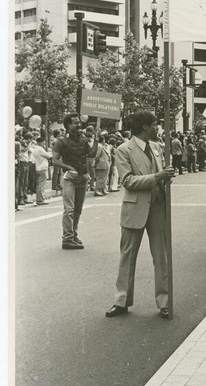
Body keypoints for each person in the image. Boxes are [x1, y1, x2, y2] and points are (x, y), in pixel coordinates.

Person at [105, 111, 175, 318]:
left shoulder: (157, 147)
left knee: (161, 256)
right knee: (127, 255)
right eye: (155, 124)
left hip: (158, 207)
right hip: (135, 208)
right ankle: (121, 301)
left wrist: (167, 178)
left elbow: (161, 174)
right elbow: (127, 181)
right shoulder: (123, 150)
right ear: (144, 127)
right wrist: (157, 176)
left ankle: (165, 301)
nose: (157, 128)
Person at [52, 112, 98, 250]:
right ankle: (67, 238)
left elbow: (91, 154)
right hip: (70, 179)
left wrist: (96, 140)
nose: (79, 125)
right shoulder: (60, 141)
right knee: (69, 210)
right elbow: (54, 161)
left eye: (79, 122)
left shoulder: (83, 139)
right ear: (68, 125)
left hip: (82, 177)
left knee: (78, 209)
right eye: (75, 123)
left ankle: (74, 235)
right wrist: (68, 167)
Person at [31, 136, 52, 206]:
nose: (44, 143)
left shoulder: (35, 149)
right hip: (42, 167)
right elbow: (48, 156)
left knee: (39, 184)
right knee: (41, 185)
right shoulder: (40, 149)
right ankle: (40, 199)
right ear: (40, 142)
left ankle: (40, 198)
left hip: (37, 167)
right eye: (43, 142)